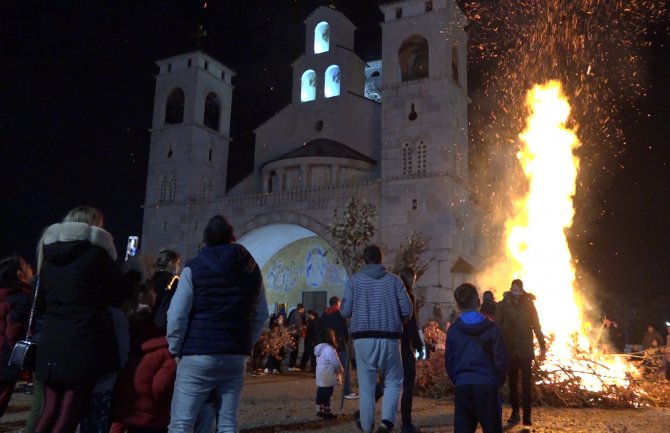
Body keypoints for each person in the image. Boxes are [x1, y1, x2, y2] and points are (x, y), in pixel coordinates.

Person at [166, 215, 269, 433]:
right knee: (228, 421)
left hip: (198, 353)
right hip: (234, 355)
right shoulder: (252, 270)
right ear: (232, 238)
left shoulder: (193, 268)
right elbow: (262, 314)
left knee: (182, 421)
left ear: (205, 240)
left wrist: (175, 348)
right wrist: (244, 343)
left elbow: (176, 315)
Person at [34, 205, 131, 433]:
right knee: (70, 411)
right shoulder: (96, 256)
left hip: (52, 340)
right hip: (83, 342)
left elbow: (39, 304)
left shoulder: (48, 258)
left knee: (49, 410)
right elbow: (121, 292)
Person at [341, 245, 413, 433]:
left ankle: (367, 427)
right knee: (394, 381)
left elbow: (345, 311)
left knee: (366, 386)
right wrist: (398, 319)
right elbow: (407, 309)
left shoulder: (354, 281)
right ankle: (387, 422)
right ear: (381, 259)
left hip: (362, 339)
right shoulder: (395, 281)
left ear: (364, 260)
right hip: (390, 338)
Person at [446, 283, 508, 433]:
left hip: (463, 387)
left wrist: (458, 379)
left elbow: (449, 362)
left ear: (458, 305)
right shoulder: (494, 329)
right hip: (487, 387)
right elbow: (501, 361)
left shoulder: (453, 331)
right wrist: (496, 381)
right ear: (479, 302)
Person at [495, 279, 545, 426]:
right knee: (512, 382)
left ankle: (527, 416)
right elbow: (497, 326)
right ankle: (515, 412)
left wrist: (542, 345)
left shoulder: (530, 305)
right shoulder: (503, 305)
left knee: (526, 383)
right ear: (510, 289)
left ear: (522, 290)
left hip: (525, 350)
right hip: (510, 349)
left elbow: (536, 326)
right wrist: (496, 345)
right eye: (513, 289)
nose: (515, 292)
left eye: (518, 290)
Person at [0, 254, 34, 418]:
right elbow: (12, 334)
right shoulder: (20, 298)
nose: (31, 268)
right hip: (4, 363)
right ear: (20, 275)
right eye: (27, 265)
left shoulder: (4, 295)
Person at [397, 268, 425, 433]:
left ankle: (364, 413)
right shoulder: (407, 296)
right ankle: (406, 423)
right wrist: (419, 345)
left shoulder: (390, 293)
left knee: (388, 381)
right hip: (403, 344)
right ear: (410, 279)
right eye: (414, 279)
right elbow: (411, 324)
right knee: (408, 382)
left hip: (389, 343)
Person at [316, 296, 357, 399]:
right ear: (338, 303)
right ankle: (347, 391)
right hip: (340, 345)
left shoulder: (323, 316)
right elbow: (345, 330)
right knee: (345, 369)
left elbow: (320, 330)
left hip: (327, 346)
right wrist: (347, 342)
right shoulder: (341, 315)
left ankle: (328, 393)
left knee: (329, 370)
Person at [314, 328, 343, 420]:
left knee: (321, 391)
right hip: (328, 374)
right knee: (327, 393)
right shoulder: (330, 349)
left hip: (320, 374)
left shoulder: (319, 349)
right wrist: (340, 370)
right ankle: (326, 411)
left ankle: (320, 408)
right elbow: (335, 362)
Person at [152, 250, 181, 330]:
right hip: (165, 321)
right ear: (170, 263)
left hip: (150, 318)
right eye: (177, 263)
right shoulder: (174, 280)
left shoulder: (151, 278)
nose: (178, 267)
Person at [287, 303, 306, 371]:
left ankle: (291, 365)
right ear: (302, 309)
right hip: (294, 335)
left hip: (294, 334)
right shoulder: (296, 314)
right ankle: (291, 366)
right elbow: (297, 325)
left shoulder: (294, 313)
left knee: (294, 350)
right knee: (294, 350)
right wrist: (302, 327)